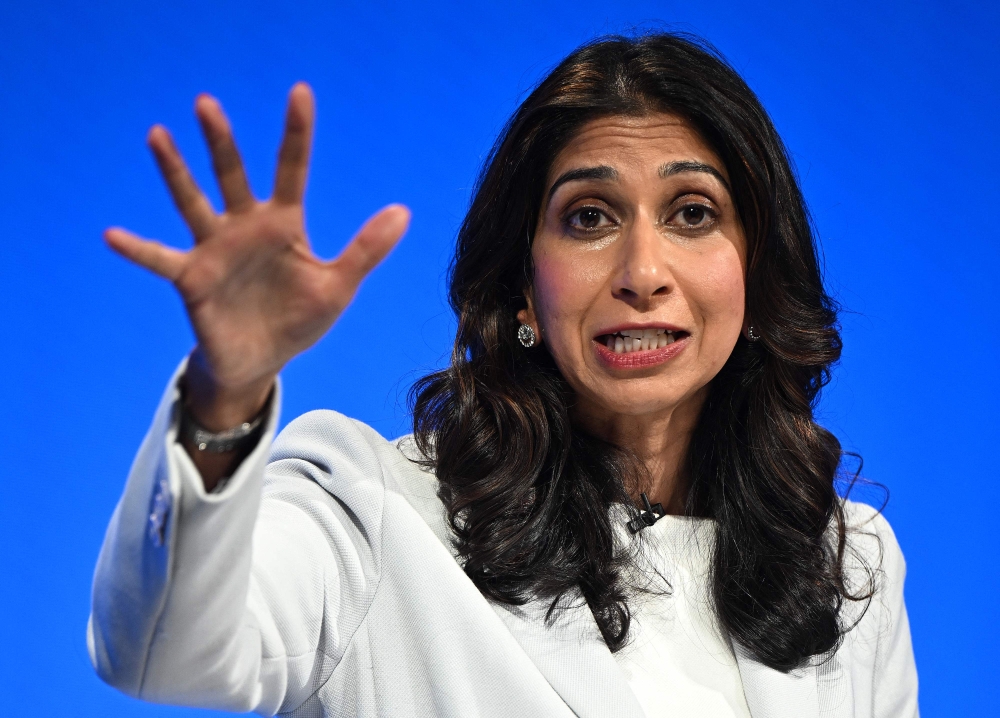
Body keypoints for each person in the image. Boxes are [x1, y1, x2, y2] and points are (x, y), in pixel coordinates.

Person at [88, 32, 918, 718]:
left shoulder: (845, 565)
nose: (642, 270)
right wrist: (224, 394)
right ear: (523, 286)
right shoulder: (375, 515)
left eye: (692, 214)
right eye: (588, 218)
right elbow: (165, 652)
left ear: (755, 271)